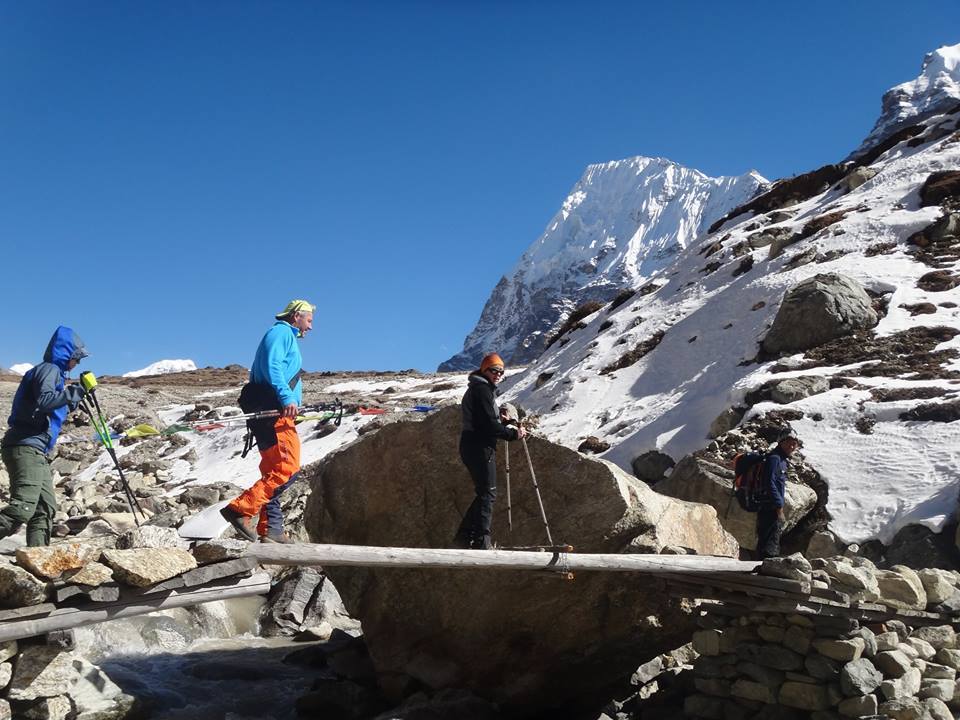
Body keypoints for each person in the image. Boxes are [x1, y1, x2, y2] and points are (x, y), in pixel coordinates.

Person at [221, 299, 314, 543]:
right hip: (275, 412)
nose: (311, 327)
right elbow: (273, 366)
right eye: (309, 320)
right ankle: (241, 509)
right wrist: (286, 398)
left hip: (270, 411)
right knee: (287, 468)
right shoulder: (281, 333)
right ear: (296, 316)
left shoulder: (283, 335)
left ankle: (271, 529)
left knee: (274, 470)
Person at [0, 326, 88, 546]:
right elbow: (46, 400)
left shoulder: (53, 374)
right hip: (25, 446)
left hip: (35, 449)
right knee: (23, 508)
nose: (77, 364)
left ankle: (37, 559)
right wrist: (72, 392)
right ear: (68, 355)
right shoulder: (49, 369)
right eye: (76, 358)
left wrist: (72, 398)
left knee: (44, 508)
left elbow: (48, 406)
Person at [453, 352, 525, 550]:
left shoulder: (478, 389)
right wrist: (513, 435)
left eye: (501, 371)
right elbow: (488, 426)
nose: (498, 374)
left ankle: (466, 536)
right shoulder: (482, 390)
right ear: (485, 370)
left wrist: (499, 420)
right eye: (494, 370)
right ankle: (481, 541)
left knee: (485, 492)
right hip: (479, 445)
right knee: (488, 493)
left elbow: (485, 420)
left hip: (472, 444)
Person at [756, 427, 800, 559]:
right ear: (781, 442)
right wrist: (779, 506)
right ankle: (765, 573)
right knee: (769, 544)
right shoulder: (774, 459)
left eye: (794, 443)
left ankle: (762, 570)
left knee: (769, 540)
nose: (792, 446)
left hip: (771, 506)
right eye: (789, 442)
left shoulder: (782, 460)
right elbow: (769, 482)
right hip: (769, 507)